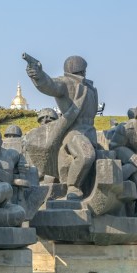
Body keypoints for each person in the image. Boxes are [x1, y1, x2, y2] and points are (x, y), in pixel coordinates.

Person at [26, 55, 98, 200]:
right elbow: (50, 84)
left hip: (90, 131)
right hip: (74, 131)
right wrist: (38, 76)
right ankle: (72, 187)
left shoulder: (90, 88)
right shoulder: (67, 82)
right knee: (86, 155)